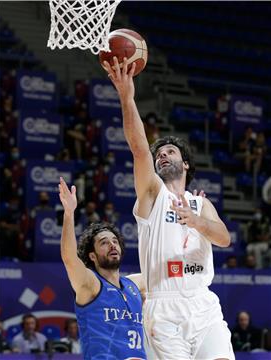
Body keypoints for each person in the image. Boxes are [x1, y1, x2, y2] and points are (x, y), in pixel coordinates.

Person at [104, 57, 234, 360]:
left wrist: (197, 221)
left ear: (185, 163)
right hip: (164, 307)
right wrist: (127, 97)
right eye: (159, 154)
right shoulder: (153, 195)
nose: (162, 156)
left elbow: (224, 239)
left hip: (203, 305)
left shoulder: (202, 204)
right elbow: (138, 148)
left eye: (170, 152)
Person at [58, 177, 146, 360]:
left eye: (115, 241)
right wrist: (69, 213)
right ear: (92, 256)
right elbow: (69, 258)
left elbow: (168, 274)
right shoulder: (91, 285)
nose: (112, 245)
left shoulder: (134, 284)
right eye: (104, 243)